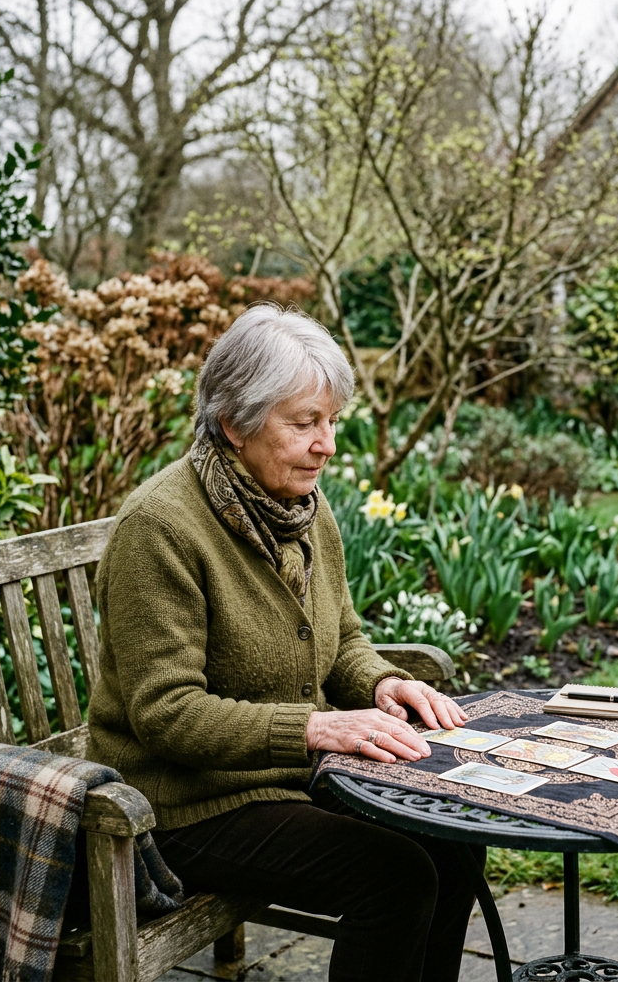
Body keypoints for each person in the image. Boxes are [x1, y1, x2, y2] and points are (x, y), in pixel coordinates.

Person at [86, 304, 482, 982]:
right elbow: (166, 713)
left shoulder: (303, 505)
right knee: (393, 877)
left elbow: (344, 636)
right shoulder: (161, 528)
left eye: (331, 422)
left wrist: (382, 683)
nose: (327, 443)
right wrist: (318, 728)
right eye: (304, 423)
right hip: (183, 806)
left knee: (453, 843)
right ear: (235, 423)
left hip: (287, 781)